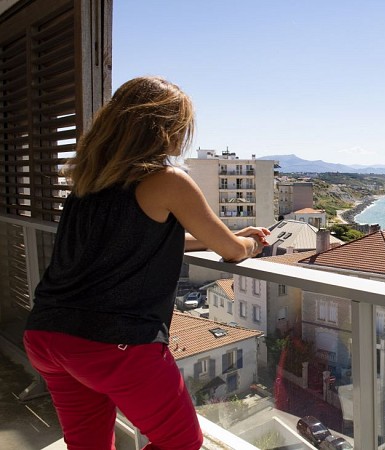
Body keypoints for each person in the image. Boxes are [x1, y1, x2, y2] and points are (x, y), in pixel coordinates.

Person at [23, 76, 269, 450]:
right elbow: (233, 252)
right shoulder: (167, 180)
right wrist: (249, 242)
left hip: (47, 334)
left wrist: (217, 240)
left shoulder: (88, 182)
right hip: (113, 343)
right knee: (180, 442)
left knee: (86, 445)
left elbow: (140, 239)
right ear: (165, 129)